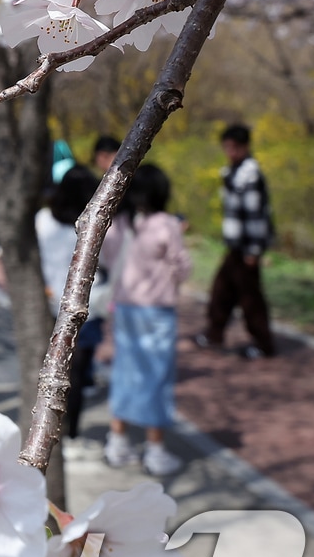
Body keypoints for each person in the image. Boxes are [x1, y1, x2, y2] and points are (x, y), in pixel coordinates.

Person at [101, 164, 192, 476]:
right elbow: (183, 267)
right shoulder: (166, 225)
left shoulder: (120, 224)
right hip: (156, 313)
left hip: (125, 308)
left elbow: (107, 257)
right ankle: (155, 450)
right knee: (157, 378)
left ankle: (117, 442)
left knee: (124, 373)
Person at [34, 165, 107, 459]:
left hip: (52, 304)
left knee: (55, 375)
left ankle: (51, 436)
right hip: (87, 306)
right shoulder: (94, 223)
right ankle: (71, 435)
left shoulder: (42, 220)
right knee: (76, 376)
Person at [197, 124, 276, 360]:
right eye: (227, 147)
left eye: (235, 147)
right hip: (235, 246)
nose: (230, 152)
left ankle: (263, 344)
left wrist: (254, 250)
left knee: (250, 298)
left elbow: (255, 216)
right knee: (222, 291)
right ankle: (214, 334)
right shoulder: (232, 171)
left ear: (245, 146)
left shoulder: (249, 175)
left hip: (247, 247)